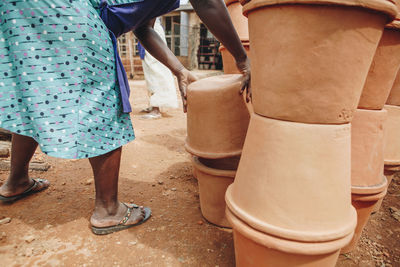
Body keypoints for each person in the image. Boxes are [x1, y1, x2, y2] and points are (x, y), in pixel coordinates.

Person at [0, 0, 250, 235]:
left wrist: (180, 70)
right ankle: (108, 210)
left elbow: (143, 28)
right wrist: (243, 59)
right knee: (101, 98)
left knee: (34, 91)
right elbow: (207, 2)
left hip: (20, 11)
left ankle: (17, 181)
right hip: (68, 9)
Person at [138, 18, 179, 119]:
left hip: (150, 30)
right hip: (145, 29)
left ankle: (156, 109)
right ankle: (153, 104)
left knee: (155, 69)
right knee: (149, 69)